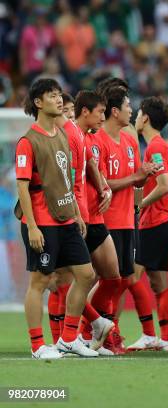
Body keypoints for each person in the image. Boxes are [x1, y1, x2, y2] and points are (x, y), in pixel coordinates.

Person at [17, 78, 98, 358]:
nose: (59, 100)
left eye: (58, 95)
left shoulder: (63, 134)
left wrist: (76, 213)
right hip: (42, 221)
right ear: (38, 103)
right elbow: (22, 187)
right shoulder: (28, 142)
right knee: (39, 282)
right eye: (52, 96)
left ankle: (68, 338)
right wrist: (33, 227)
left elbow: (68, 179)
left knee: (86, 275)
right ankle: (38, 345)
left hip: (66, 219)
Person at [97, 86, 158, 350]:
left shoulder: (131, 141)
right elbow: (101, 182)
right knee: (105, 280)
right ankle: (89, 327)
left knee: (121, 280)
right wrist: (135, 177)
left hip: (126, 219)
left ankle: (103, 329)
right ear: (114, 111)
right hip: (105, 220)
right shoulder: (98, 140)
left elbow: (136, 180)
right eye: (128, 105)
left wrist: (145, 174)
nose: (132, 110)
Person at [76, 90, 123, 355]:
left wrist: (105, 188)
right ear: (85, 111)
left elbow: (94, 168)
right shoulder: (70, 135)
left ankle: (94, 327)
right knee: (70, 280)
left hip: (95, 216)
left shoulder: (89, 138)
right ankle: (80, 332)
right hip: (76, 216)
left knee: (113, 277)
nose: (102, 118)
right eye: (99, 112)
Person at [128, 97, 168, 352]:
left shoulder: (154, 147)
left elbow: (164, 185)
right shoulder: (160, 145)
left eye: (137, 113)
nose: (135, 117)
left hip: (155, 221)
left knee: (131, 277)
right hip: (161, 221)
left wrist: (140, 204)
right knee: (158, 281)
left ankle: (149, 334)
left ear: (145, 118)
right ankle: (166, 339)